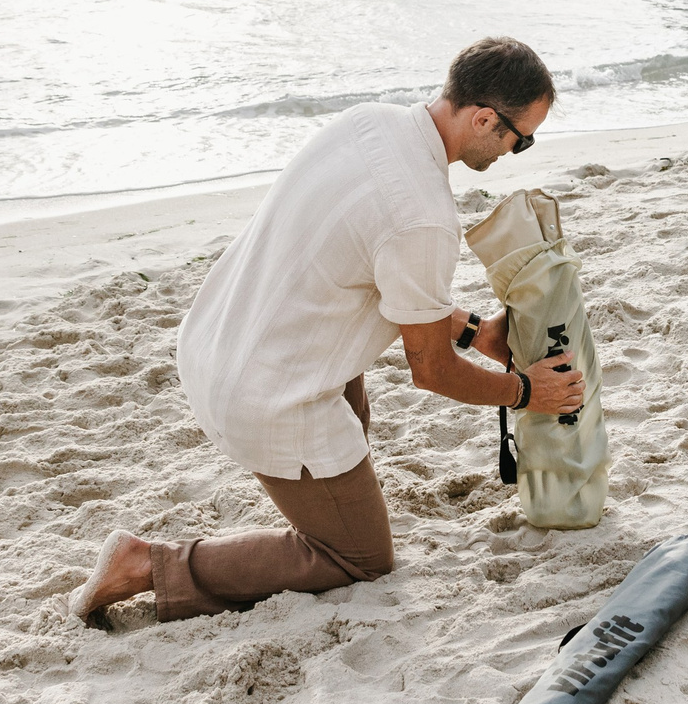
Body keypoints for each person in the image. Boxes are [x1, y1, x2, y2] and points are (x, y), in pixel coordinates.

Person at [71, 36, 585, 625]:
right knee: (360, 558)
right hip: (262, 392)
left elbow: (371, 270)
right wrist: (526, 392)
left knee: (352, 424)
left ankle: (323, 497)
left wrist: (475, 331)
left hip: (216, 334)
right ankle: (146, 565)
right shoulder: (423, 216)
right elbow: (431, 371)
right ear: (485, 118)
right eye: (522, 139)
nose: (518, 151)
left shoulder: (368, 123)